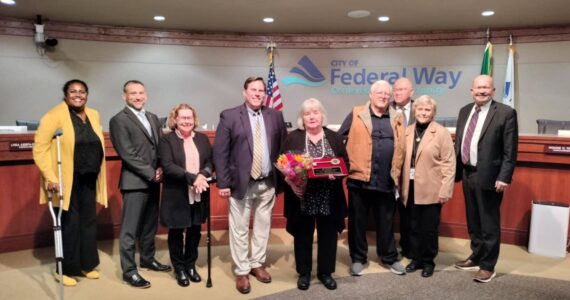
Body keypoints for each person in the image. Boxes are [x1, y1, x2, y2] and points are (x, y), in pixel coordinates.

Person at [213, 76, 287, 294]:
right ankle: (242, 270)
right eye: (253, 90)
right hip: (240, 185)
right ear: (244, 92)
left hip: (267, 183)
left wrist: (284, 178)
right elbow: (220, 151)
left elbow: (282, 149)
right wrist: (223, 182)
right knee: (239, 229)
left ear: (265, 94)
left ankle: (256, 263)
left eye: (261, 90)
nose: (257, 94)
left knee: (263, 227)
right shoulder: (229, 116)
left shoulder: (275, 116)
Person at [33, 79, 108, 287]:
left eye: (82, 92)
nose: (78, 95)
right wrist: (51, 177)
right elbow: (39, 149)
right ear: (66, 94)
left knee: (88, 221)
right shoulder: (53, 115)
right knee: (70, 223)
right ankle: (65, 269)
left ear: (87, 94)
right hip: (66, 179)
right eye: (73, 91)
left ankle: (86, 264)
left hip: (89, 176)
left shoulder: (93, 114)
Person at [454, 75, 518, 283]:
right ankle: (476, 255)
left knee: (488, 222)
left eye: (486, 88)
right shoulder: (464, 111)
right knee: (473, 220)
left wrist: (504, 177)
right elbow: (460, 143)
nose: (482, 91)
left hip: (490, 176)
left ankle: (488, 265)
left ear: (493, 90)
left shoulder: (506, 113)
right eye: (478, 87)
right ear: (471, 90)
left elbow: (510, 150)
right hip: (467, 172)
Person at [338, 80, 406, 276]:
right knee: (357, 222)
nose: (383, 96)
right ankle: (358, 259)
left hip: (386, 180)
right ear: (370, 94)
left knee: (386, 222)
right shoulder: (356, 113)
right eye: (379, 93)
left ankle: (389, 257)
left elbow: (402, 146)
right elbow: (338, 139)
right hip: (359, 179)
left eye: (387, 94)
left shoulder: (397, 118)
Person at [280, 98, 348, 291]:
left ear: (322, 115)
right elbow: (283, 164)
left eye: (315, 112)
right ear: (302, 117)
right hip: (302, 196)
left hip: (329, 196)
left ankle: (325, 273)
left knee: (328, 235)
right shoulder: (293, 138)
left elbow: (346, 163)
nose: (311, 116)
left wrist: (338, 173)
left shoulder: (334, 138)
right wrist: (291, 180)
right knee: (303, 235)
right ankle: (304, 273)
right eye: (307, 113)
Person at [110, 80, 172, 289]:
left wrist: (161, 169)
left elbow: (160, 146)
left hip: (155, 180)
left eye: (141, 93)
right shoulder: (119, 120)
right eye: (133, 93)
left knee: (149, 226)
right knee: (130, 229)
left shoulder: (152, 117)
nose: (138, 97)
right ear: (124, 96)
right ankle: (129, 271)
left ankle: (147, 258)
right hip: (135, 182)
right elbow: (127, 154)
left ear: (146, 95)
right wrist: (150, 173)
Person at [400, 95, 455, 278]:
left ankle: (428, 261)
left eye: (427, 110)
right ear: (414, 111)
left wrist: (445, 190)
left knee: (429, 229)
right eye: (420, 109)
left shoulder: (441, 132)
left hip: (431, 189)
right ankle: (415, 259)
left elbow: (449, 163)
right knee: (412, 226)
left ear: (433, 113)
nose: (423, 113)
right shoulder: (407, 131)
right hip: (410, 188)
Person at [158, 104, 212, 287]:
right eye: (183, 118)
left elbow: (210, 161)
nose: (187, 121)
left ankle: (190, 265)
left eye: (190, 118)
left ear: (194, 119)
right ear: (175, 120)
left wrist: (203, 174)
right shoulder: (167, 140)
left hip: (199, 193)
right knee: (176, 231)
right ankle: (179, 268)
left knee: (195, 230)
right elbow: (168, 166)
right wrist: (192, 178)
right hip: (177, 193)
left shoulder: (203, 139)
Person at [390, 77, 415, 259]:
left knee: (409, 213)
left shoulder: (420, 108)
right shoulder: (385, 108)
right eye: (396, 89)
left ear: (411, 92)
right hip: (388, 169)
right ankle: (389, 249)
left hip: (412, 170)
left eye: (402, 89)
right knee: (387, 211)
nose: (397, 93)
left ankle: (408, 247)